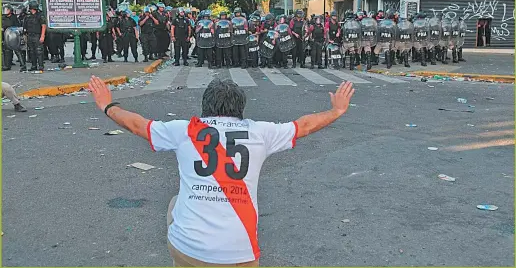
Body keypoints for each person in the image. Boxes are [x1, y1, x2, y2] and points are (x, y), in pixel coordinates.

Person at [88, 75, 355, 267]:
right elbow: (304, 125)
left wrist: (107, 105)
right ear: (241, 108)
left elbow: (137, 125)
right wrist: (337, 110)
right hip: (239, 254)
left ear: (205, 107)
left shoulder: (185, 130)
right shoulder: (260, 132)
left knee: (175, 204)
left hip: (189, 249)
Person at [22, 0, 47, 71]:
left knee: (39, 51)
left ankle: (41, 66)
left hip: (37, 35)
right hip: (29, 35)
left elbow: (43, 26)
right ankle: (34, 66)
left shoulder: (40, 15)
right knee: (31, 51)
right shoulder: (27, 16)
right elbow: (25, 27)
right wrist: (25, 36)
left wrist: (42, 36)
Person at [2, 4, 26, 72]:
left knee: (17, 51)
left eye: (7, 9)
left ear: (10, 10)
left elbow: (18, 27)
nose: (5, 11)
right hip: (5, 36)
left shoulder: (14, 18)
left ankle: (23, 65)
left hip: (13, 37)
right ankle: (7, 65)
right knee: (7, 51)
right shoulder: (3, 17)